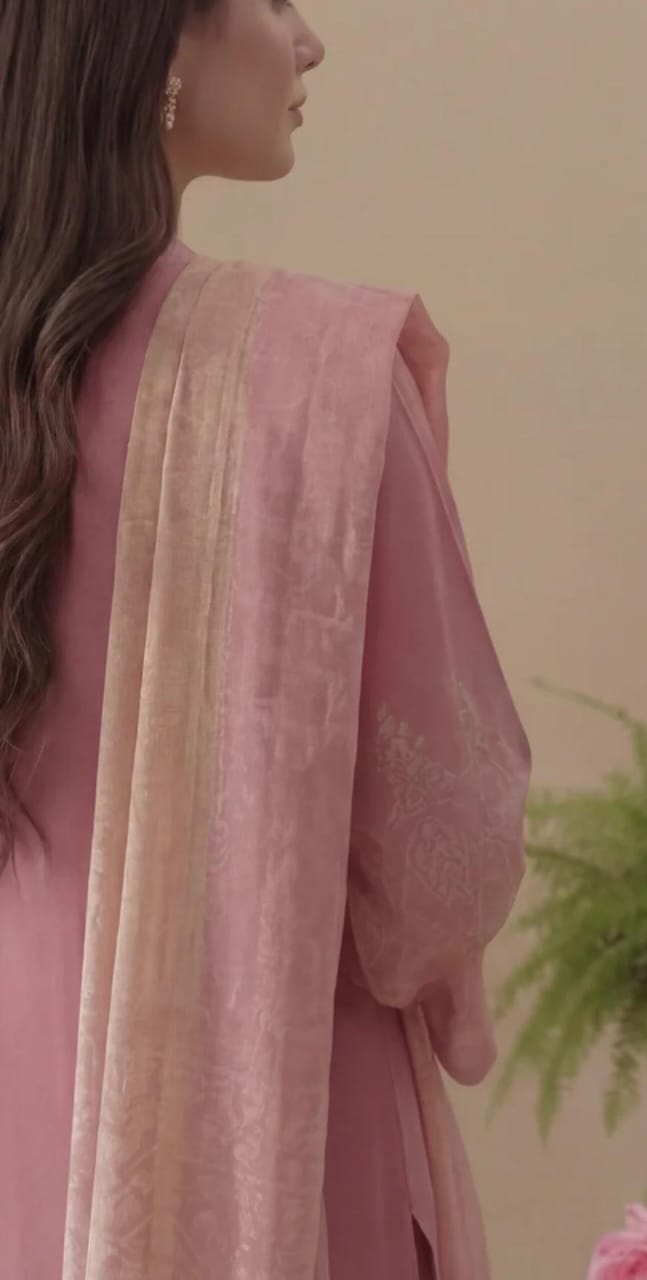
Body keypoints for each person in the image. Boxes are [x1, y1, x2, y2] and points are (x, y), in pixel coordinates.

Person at [0, 2, 532, 1278]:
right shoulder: (317, 383)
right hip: (277, 1100)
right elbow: (445, 857)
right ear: (149, 37)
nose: (308, 43)